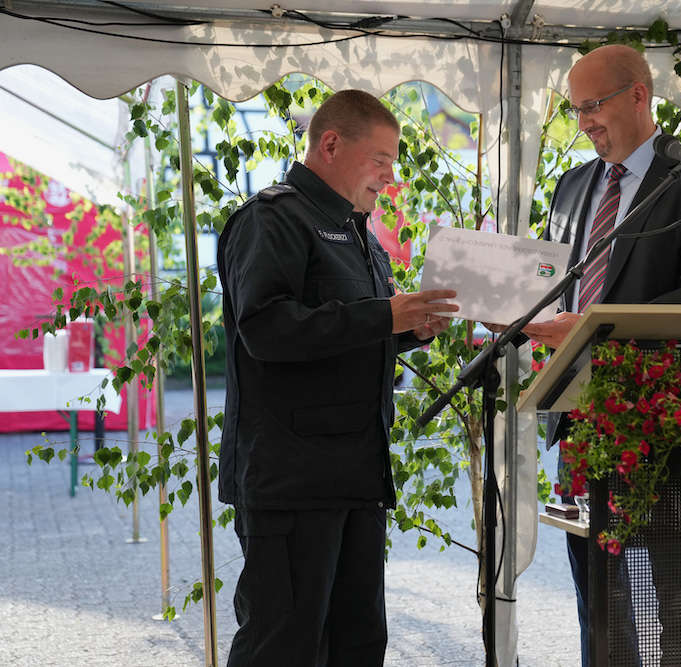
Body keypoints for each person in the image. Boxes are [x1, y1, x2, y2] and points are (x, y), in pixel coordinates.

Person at [524, 45, 681, 666]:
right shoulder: (571, 187)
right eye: (575, 111)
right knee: (599, 601)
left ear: (638, 96)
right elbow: (559, 282)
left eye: (593, 106)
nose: (585, 122)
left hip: (666, 423)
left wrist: (597, 330)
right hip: (579, 417)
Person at [216, 89, 458, 666]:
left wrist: (408, 330)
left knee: (358, 641)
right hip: (292, 479)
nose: (390, 175)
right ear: (330, 144)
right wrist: (387, 315)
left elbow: (350, 331)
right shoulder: (272, 219)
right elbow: (267, 329)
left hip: (354, 476)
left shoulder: (359, 232)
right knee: (285, 644)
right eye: (381, 159)